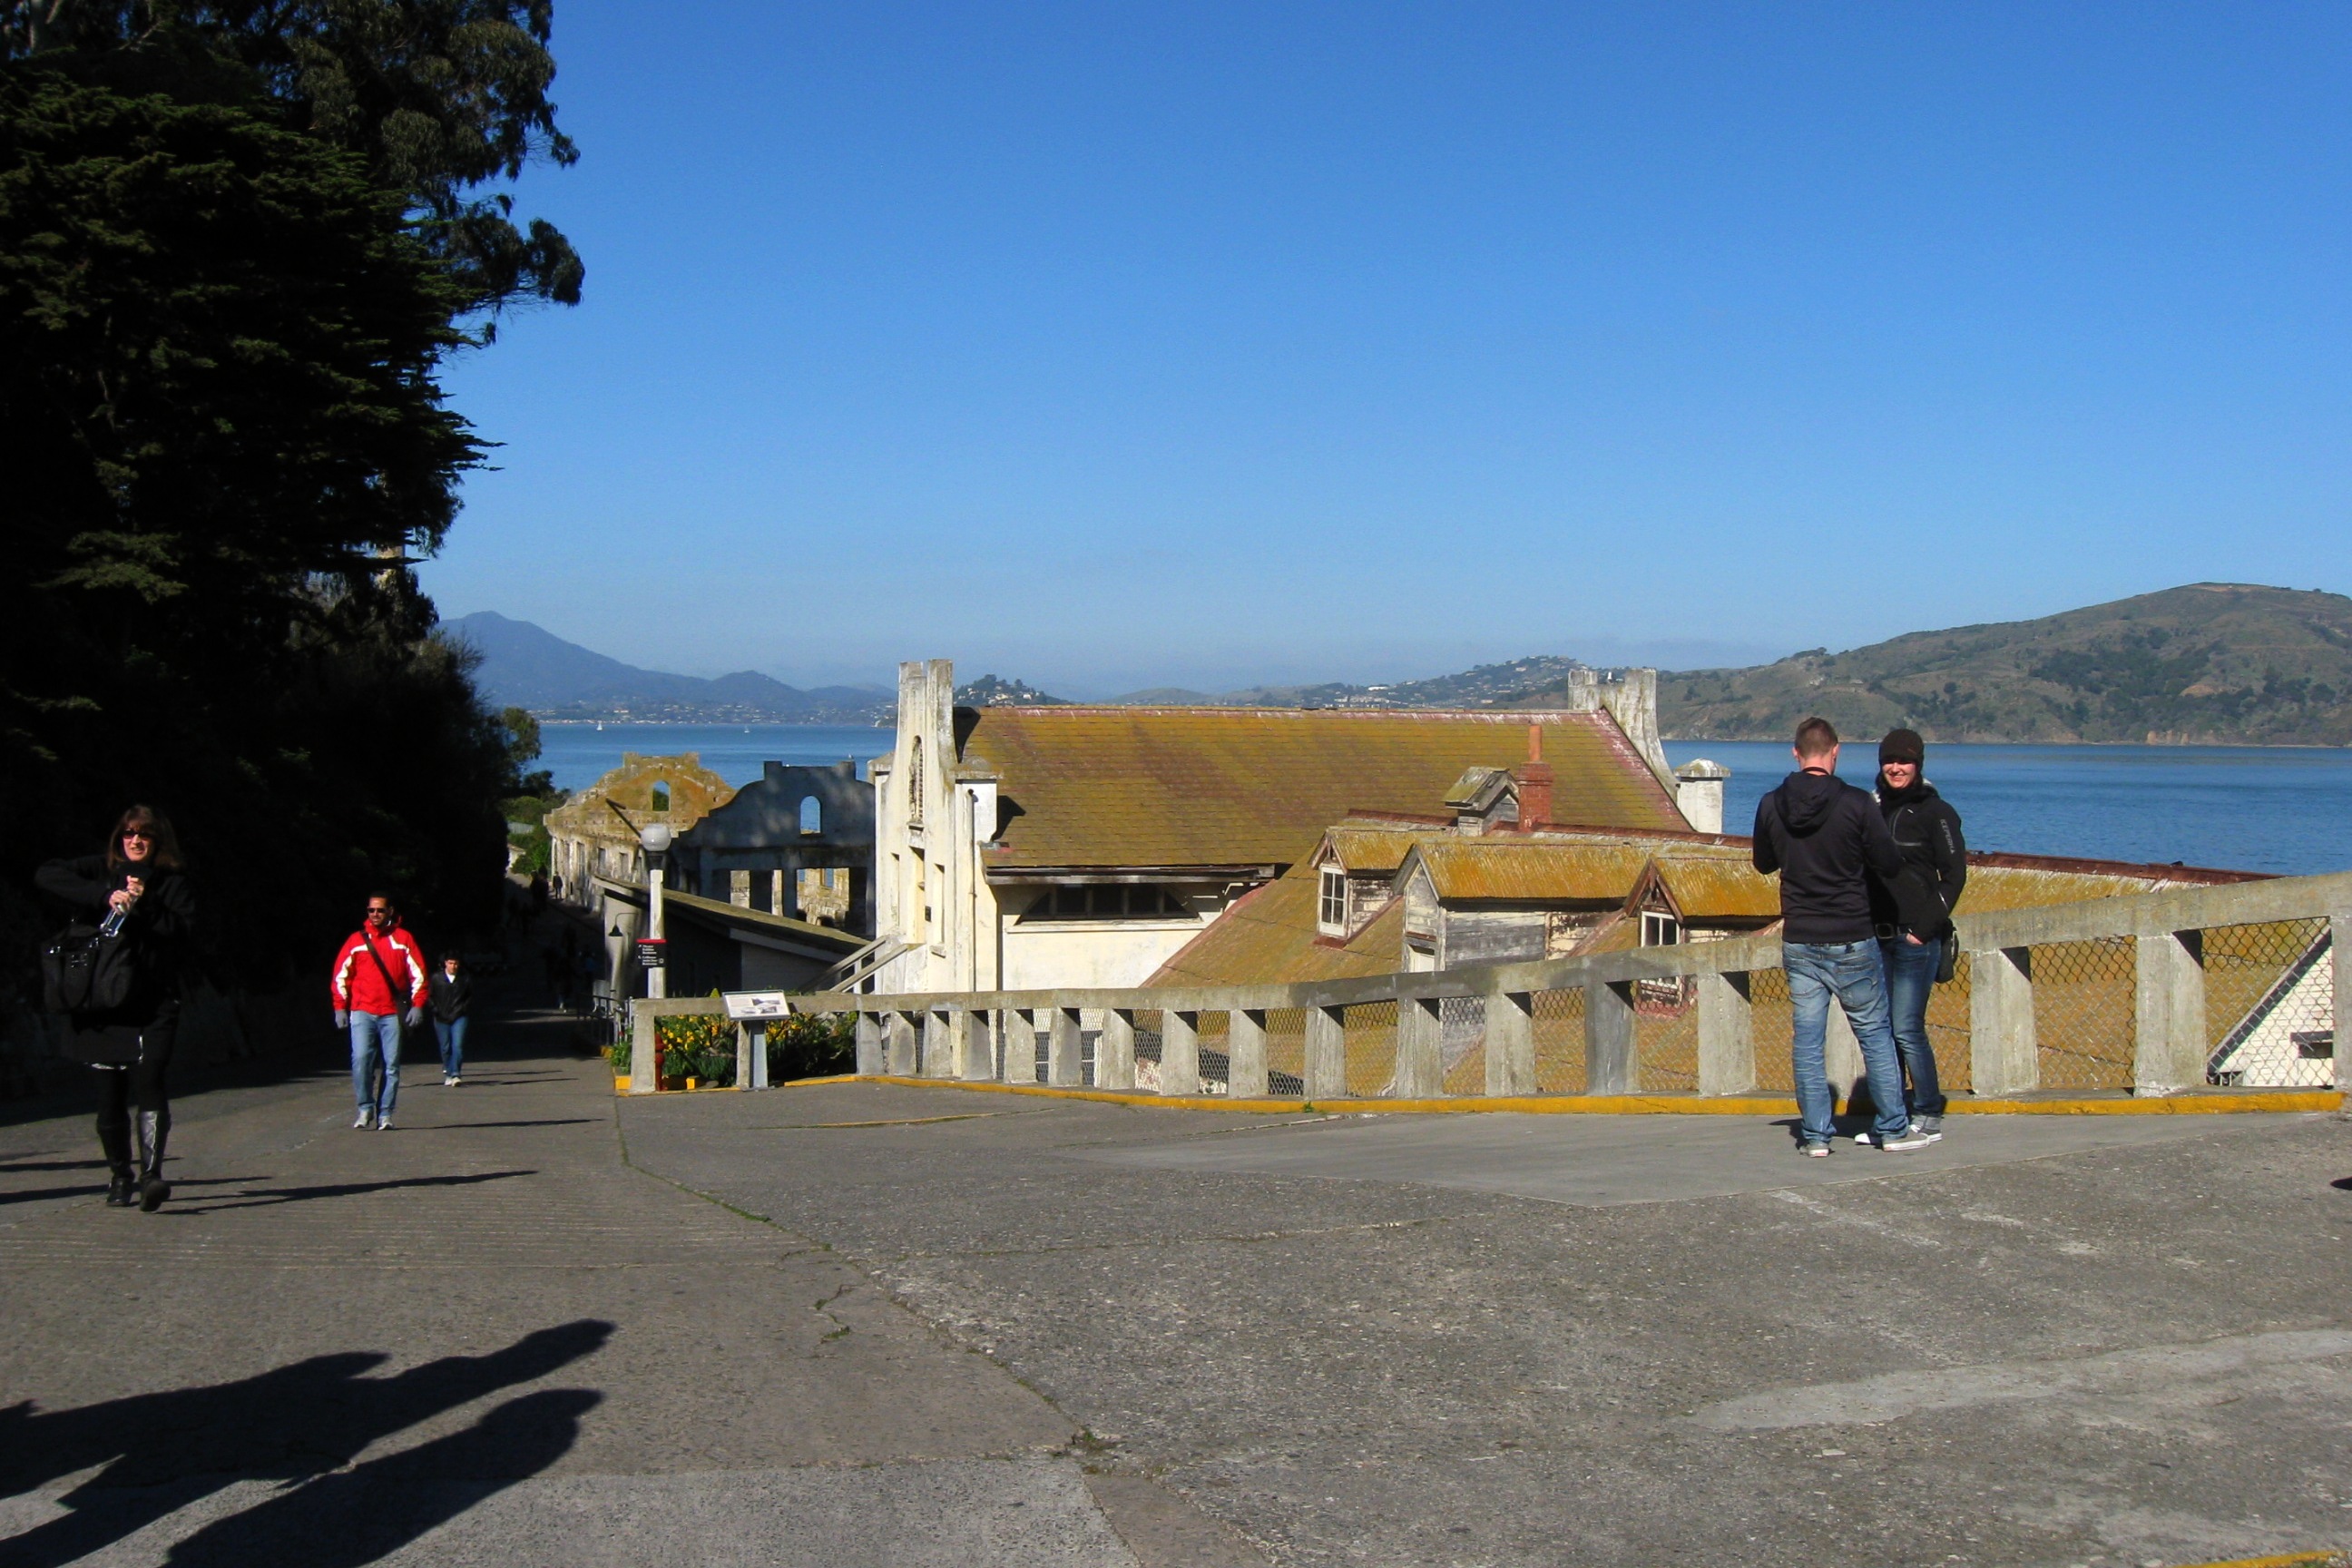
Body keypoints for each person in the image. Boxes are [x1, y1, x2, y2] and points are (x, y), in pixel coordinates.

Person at [1751, 718, 1932, 1156]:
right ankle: (1893, 1128)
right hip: (1851, 934)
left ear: (1796, 753)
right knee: (1874, 1034)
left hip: (1800, 937)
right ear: (1836, 752)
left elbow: (1763, 862)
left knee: (1808, 1041)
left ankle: (1815, 1135)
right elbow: (1888, 863)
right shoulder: (1855, 803)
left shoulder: (1771, 803)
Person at [35, 806, 198, 1210]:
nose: (136, 841)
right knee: (109, 1092)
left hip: (154, 999)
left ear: (158, 841)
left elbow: (182, 931)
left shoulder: (172, 881)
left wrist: (145, 903)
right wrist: (104, 895)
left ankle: (151, 1176)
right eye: (129, 834)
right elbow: (47, 874)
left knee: (151, 1078)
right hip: (104, 1000)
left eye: (145, 835)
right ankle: (120, 1175)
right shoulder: (100, 869)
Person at [1871, 728, 1968, 1142]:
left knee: (1907, 1028)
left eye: (1904, 761)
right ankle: (1893, 1114)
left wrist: (1924, 930)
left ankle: (1928, 1110)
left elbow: (1955, 875)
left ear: (1918, 765)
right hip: (1877, 939)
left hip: (1915, 940)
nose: (1896, 768)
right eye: (1889, 761)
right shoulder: (1871, 809)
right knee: (1882, 1030)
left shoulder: (1937, 812)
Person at [330, 894, 428, 1131]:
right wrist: (339, 1007)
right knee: (361, 1060)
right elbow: (341, 976)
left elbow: (419, 975)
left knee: (391, 1064)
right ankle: (365, 1107)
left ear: (390, 911)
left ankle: (385, 1113)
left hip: (392, 1012)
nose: (375, 914)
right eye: (371, 910)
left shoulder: (403, 939)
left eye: (380, 910)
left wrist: (417, 1005)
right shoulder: (356, 941)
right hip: (362, 1011)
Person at [429, 951, 473, 1087]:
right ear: (445, 963)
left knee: (458, 1046)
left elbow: (469, 997)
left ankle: (455, 1074)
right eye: (450, 963)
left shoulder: (464, 979)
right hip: (441, 1017)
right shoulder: (436, 978)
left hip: (459, 1016)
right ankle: (448, 1072)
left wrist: (462, 1009)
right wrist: (435, 1010)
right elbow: (429, 996)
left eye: (456, 963)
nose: (453, 966)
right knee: (445, 1047)